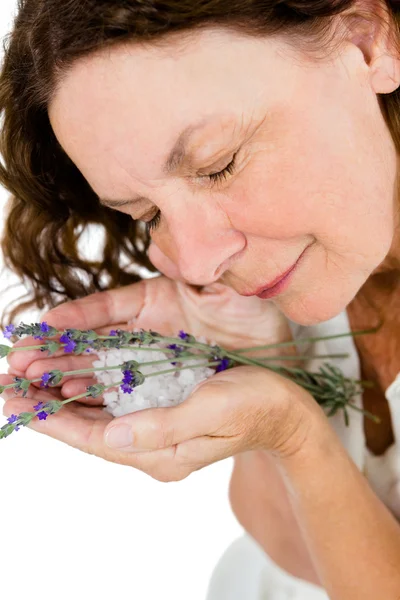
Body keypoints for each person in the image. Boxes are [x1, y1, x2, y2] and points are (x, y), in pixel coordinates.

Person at [1, 0, 400, 597]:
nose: (195, 262)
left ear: (368, 40)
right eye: (150, 214)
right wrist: (262, 361)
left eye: (218, 166)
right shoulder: (310, 270)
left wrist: (295, 432)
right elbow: (297, 557)